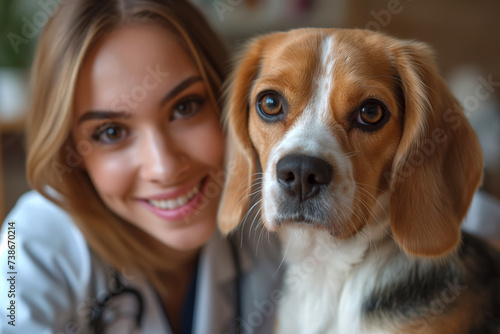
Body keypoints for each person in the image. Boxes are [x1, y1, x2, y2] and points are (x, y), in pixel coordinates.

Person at [0, 1, 282, 333]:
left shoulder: (277, 216)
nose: (163, 167)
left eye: (185, 107)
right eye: (111, 132)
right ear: (70, 152)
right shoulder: (31, 244)